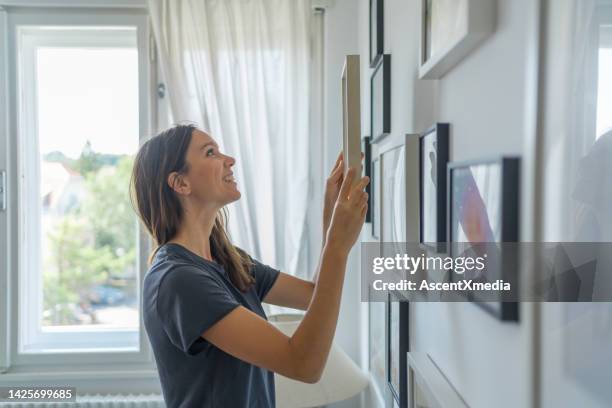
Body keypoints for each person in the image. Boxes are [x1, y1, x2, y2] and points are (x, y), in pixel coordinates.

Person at [130, 124, 369, 408]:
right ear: (181, 184)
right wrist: (337, 247)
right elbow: (304, 365)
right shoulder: (178, 280)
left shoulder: (227, 260)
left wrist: (330, 222)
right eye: (211, 153)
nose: (229, 160)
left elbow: (313, 295)